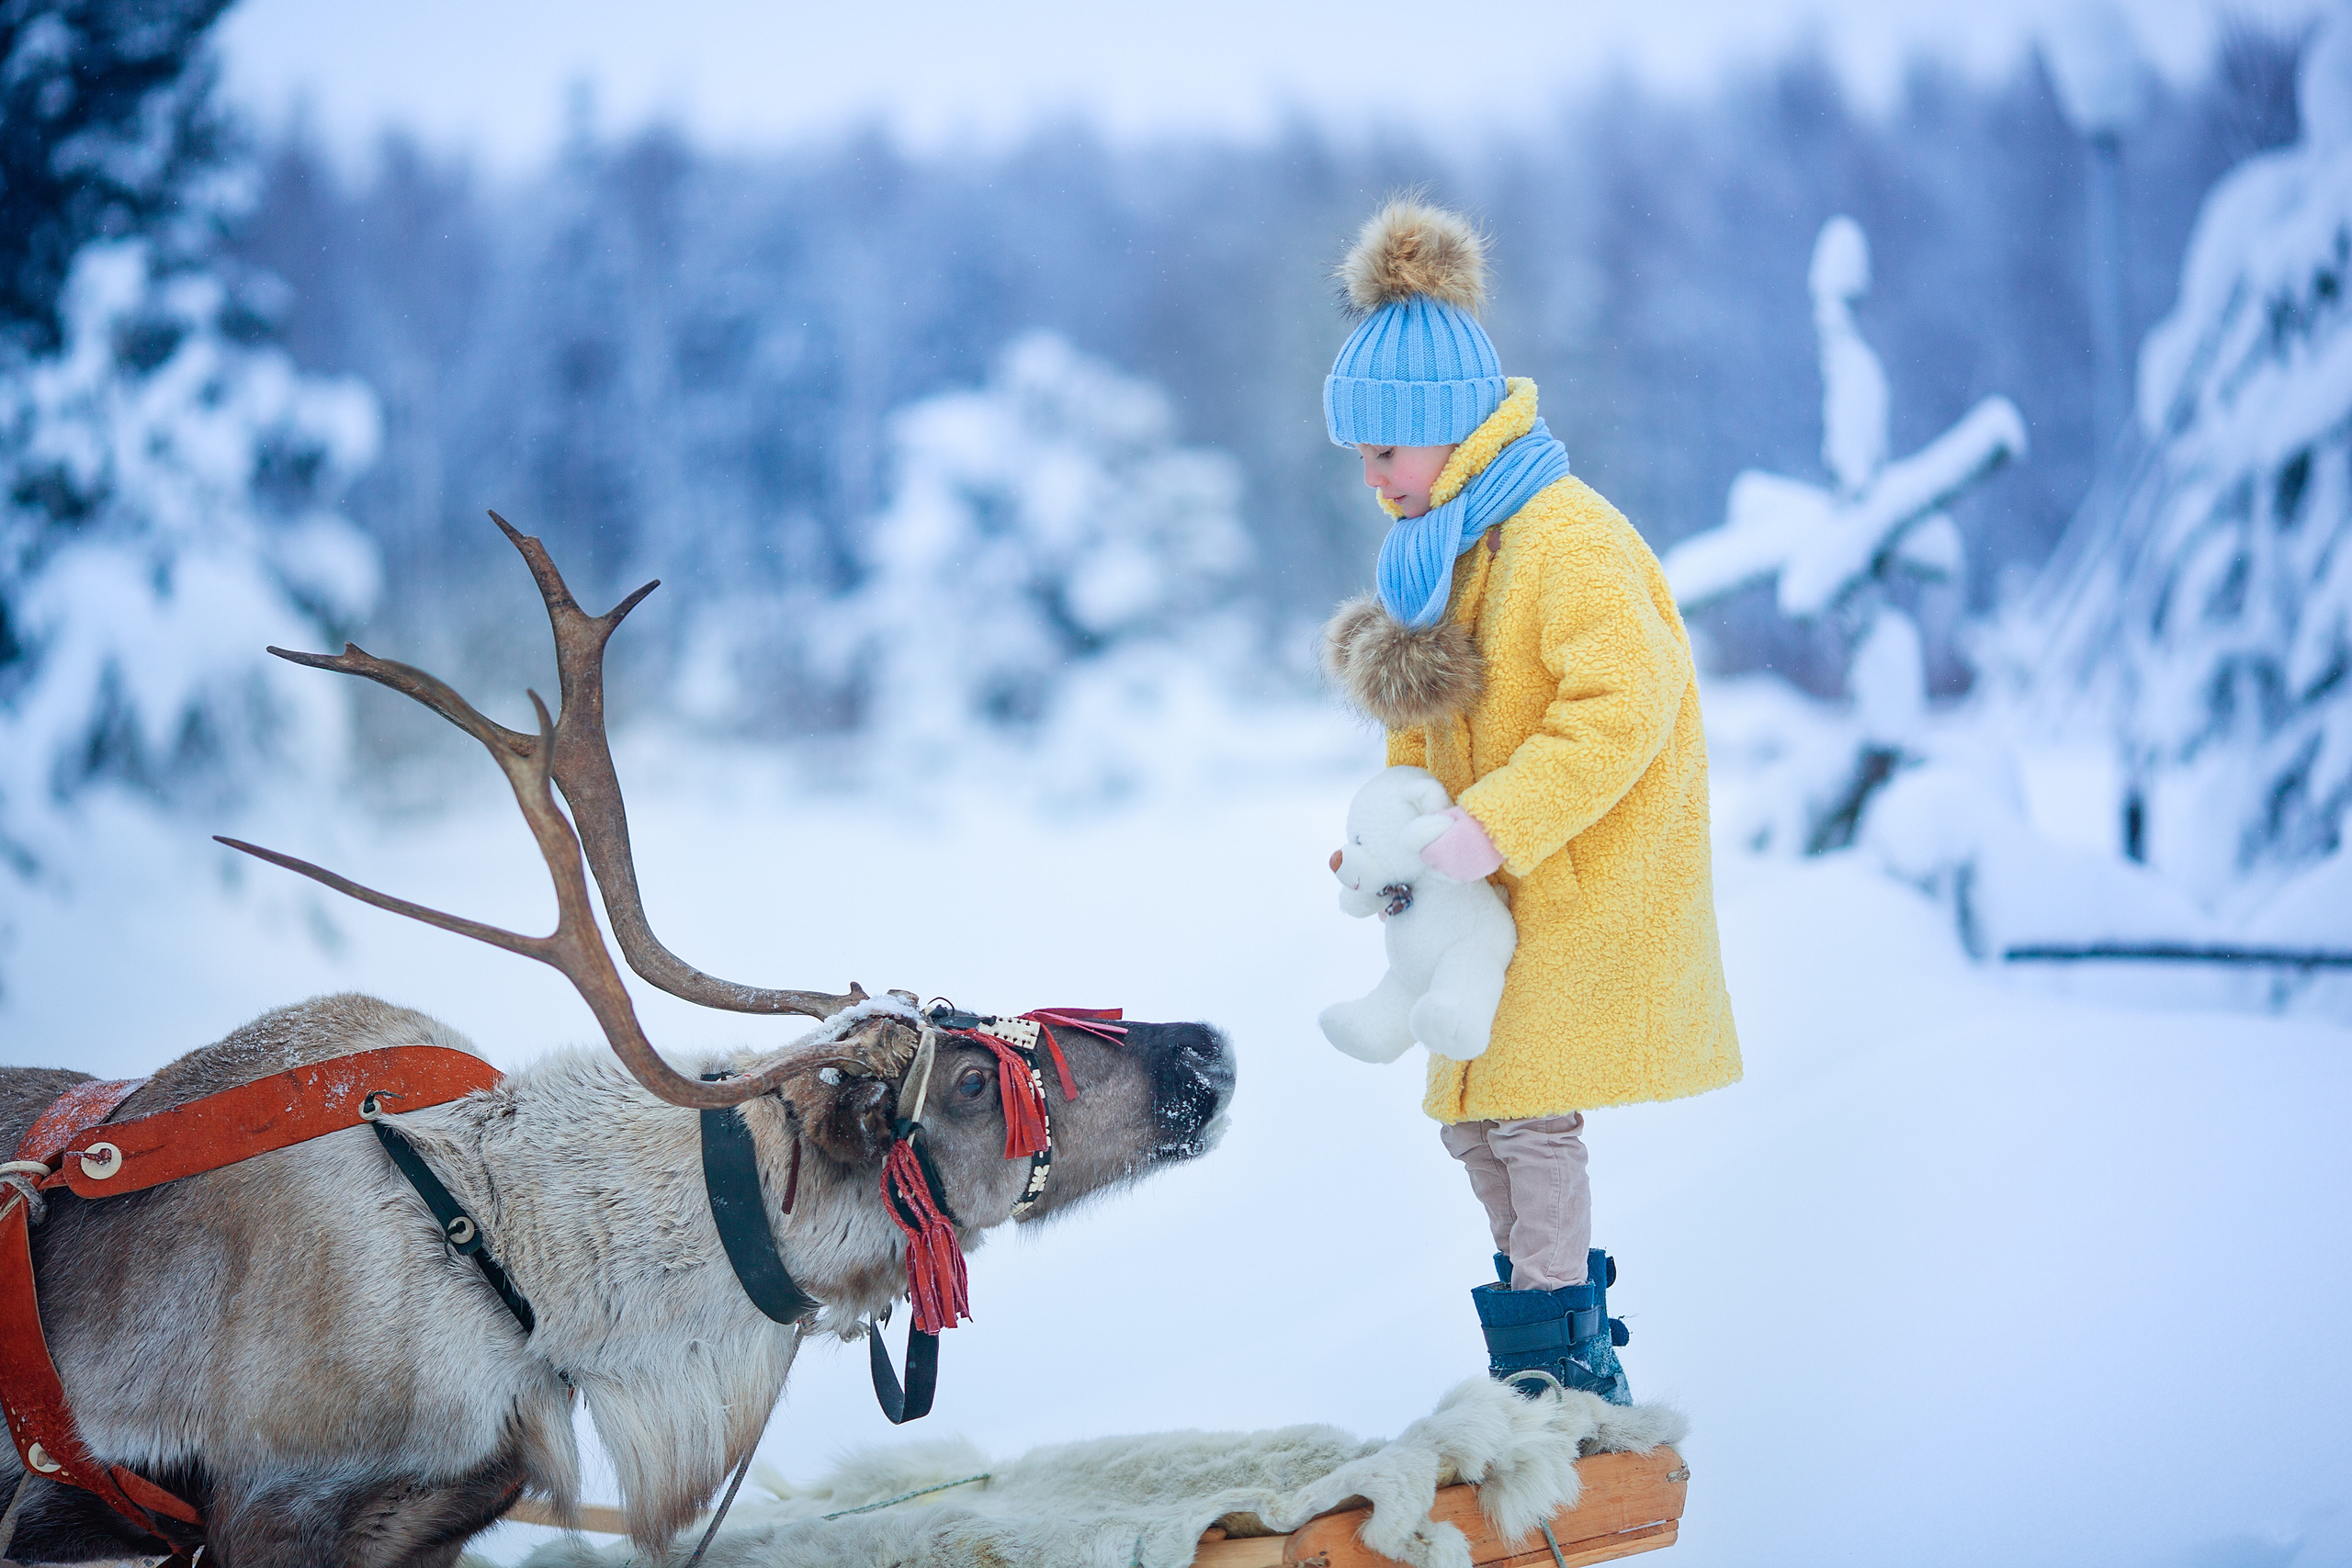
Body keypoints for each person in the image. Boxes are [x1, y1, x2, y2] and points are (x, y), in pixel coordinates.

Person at [1319, 197, 1743, 1404]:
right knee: (1474, 1116)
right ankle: (1545, 1319)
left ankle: (1556, 1360)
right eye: (1360, 456)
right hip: (1478, 900)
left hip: (1568, 885)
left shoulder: (1565, 541)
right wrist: (1389, 853)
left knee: (1528, 1117)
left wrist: (1496, 822)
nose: (1371, 477)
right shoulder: (1446, 549)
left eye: (1384, 452)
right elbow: (1420, 743)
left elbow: (1624, 705)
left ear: (1446, 433)